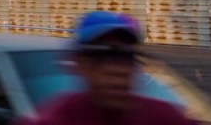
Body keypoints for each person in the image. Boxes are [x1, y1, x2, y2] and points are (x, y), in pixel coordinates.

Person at [16, 11, 196, 125]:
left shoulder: (163, 117)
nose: (118, 69)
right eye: (100, 56)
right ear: (78, 63)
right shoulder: (55, 119)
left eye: (126, 57)